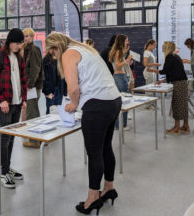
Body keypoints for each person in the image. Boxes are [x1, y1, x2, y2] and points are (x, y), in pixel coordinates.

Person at [46, 33, 121, 214]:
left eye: (51, 51)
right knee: (105, 148)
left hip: (97, 105)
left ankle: (92, 198)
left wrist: (73, 104)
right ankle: (109, 187)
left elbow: (73, 88)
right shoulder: (86, 49)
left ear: (55, 47)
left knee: (94, 154)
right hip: (113, 101)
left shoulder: (68, 54)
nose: (51, 55)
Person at [0, 28, 27, 189]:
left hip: (17, 103)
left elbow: (23, 79)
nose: (19, 46)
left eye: (20, 43)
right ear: (10, 41)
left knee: (11, 137)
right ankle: (3, 172)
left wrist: (23, 99)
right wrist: (2, 100)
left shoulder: (19, 58)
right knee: (4, 139)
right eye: (17, 43)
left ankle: (7, 167)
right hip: (3, 103)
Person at [152, 41, 190, 134]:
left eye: (163, 47)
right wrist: (162, 81)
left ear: (167, 47)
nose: (161, 48)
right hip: (183, 83)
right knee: (183, 105)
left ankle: (176, 128)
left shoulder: (169, 57)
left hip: (179, 84)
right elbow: (173, 72)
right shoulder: (176, 56)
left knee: (176, 105)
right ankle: (186, 126)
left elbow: (165, 71)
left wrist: (152, 70)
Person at [22, 28, 44, 148]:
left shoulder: (34, 50)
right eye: (24, 36)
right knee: (34, 111)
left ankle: (34, 141)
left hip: (33, 87)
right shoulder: (26, 49)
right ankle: (38, 138)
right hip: (31, 86)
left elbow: (35, 69)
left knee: (32, 113)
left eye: (27, 36)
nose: (25, 38)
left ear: (32, 37)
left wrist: (29, 85)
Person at [109, 34, 131, 131]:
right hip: (120, 77)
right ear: (122, 41)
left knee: (120, 102)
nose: (128, 41)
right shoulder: (118, 51)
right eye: (127, 40)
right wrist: (127, 60)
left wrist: (126, 58)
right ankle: (122, 125)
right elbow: (118, 65)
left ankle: (120, 124)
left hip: (118, 77)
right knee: (123, 101)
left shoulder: (118, 51)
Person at [42, 47, 67, 114]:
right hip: (51, 90)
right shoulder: (46, 61)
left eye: (56, 49)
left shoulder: (60, 59)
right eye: (53, 48)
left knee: (58, 110)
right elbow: (44, 78)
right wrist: (47, 92)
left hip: (59, 89)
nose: (54, 51)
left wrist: (64, 90)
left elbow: (63, 76)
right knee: (50, 110)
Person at [143, 39, 161, 109]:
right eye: (154, 45)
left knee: (152, 88)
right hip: (149, 72)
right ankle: (148, 105)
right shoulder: (146, 52)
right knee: (149, 89)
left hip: (152, 72)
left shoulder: (150, 52)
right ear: (150, 45)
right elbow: (145, 64)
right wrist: (155, 64)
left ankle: (152, 104)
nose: (155, 46)